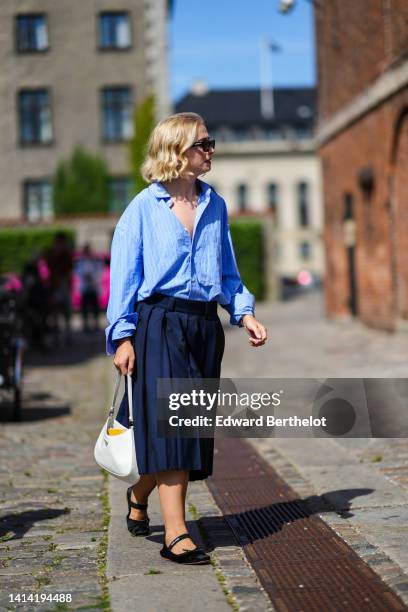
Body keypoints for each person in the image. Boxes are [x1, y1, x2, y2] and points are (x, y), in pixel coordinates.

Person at [105, 112, 267, 565]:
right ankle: (175, 533)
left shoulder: (215, 205)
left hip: (203, 327)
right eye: (204, 143)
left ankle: (140, 493)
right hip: (159, 322)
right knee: (174, 427)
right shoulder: (142, 207)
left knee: (188, 430)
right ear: (178, 150)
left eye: (210, 142)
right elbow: (124, 277)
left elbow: (227, 272)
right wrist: (122, 337)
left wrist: (244, 311)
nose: (211, 150)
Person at [78, 243, 100, 332]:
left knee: (95, 307)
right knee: (84, 308)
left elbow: (98, 272)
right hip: (85, 288)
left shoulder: (94, 261)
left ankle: (95, 324)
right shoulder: (81, 262)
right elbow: (79, 273)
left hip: (93, 287)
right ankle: (85, 324)